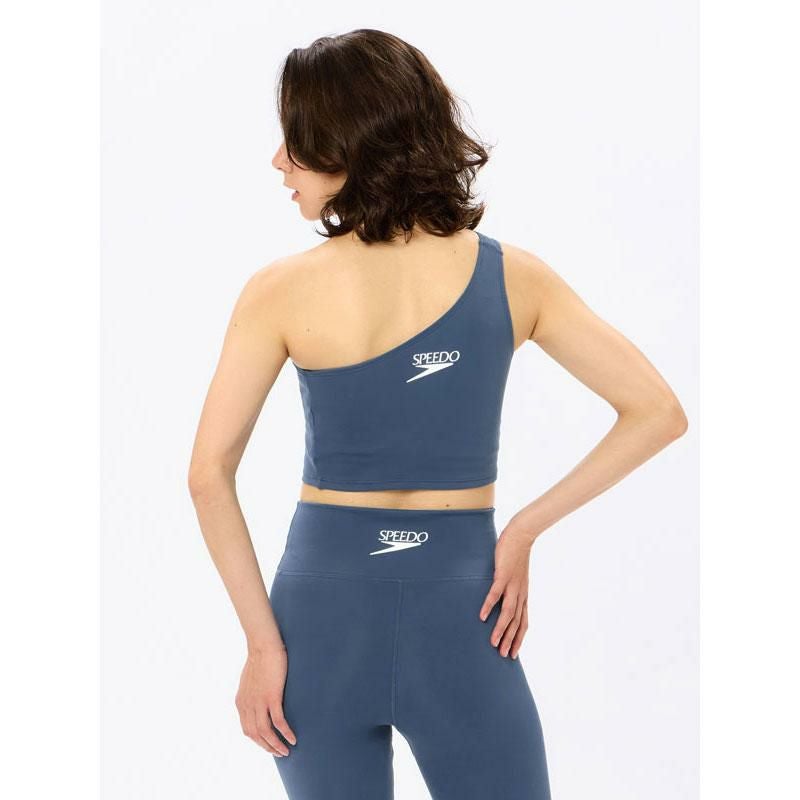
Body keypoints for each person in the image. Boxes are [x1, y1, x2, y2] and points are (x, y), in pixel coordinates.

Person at [188, 28, 688, 800]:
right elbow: (656, 410)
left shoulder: (277, 292)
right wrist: (522, 529)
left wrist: (263, 646)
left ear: (347, 141)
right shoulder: (516, 278)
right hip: (460, 608)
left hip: (318, 622)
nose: (279, 161)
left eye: (296, 139)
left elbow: (208, 474)